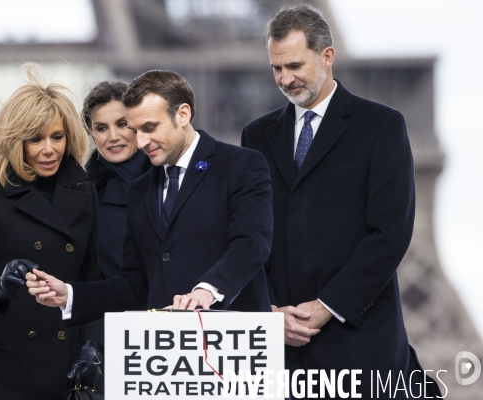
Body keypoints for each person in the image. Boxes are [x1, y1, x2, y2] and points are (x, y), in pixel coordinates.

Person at [241, 4, 439, 397]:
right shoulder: (256, 135)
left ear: (327, 56)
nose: (285, 78)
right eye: (276, 68)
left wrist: (326, 305)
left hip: (358, 340)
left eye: (294, 65)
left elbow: (391, 233)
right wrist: (270, 312)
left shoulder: (381, 126)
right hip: (282, 347)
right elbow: (249, 234)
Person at [26, 69, 273, 324]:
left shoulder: (241, 164)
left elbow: (252, 244)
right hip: (162, 346)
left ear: (183, 114)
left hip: (236, 341)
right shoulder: (141, 189)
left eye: (150, 128)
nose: (142, 142)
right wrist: (70, 294)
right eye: (136, 130)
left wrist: (207, 290)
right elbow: (134, 283)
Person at [0, 64, 101, 400]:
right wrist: (0, 287)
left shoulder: (85, 192)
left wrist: (92, 345)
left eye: (57, 137)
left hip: (65, 363)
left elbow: (92, 281)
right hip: (2, 364)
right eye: (36, 139)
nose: (49, 149)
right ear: (16, 141)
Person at [82, 81, 152, 278]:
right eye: (102, 128)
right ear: (91, 133)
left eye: (122, 124)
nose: (113, 137)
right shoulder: (85, 196)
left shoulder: (171, 178)